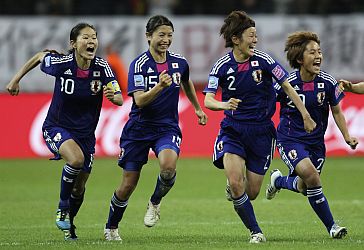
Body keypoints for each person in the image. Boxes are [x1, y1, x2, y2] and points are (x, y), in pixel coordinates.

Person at [203, 11, 316, 243]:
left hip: (262, 132)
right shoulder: (222, 65)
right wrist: (224, 104)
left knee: (251, 193)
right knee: (236, 185)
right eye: (251, 35)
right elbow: (208, 100)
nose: (255, 40)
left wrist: (305, 114)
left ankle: (243, 189)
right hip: (233, 129)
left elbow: (286, 86)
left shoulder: (264, 60)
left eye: (256, 35)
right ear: (236, 39)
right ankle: (256, 232)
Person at [6, 23, 123, 240]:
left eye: (94, 37)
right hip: (56, 127)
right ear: (73, 43)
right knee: (76, 160)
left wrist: (113, 96)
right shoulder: (62, 64)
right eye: (86, 38)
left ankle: (70, 225)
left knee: (79, 188)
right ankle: (62, 207)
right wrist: (15, 79)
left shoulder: (103, 67)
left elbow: (118, 97)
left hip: (86, 135)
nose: (92, 42)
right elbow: (40, 56)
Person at [103, 15, 207, 241]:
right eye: (161, 35)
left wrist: (197, 108)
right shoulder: (139, 65)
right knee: (128, 184)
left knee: (168, 167)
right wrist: (160, 86)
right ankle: (111, 227)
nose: (166, 40)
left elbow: (186, 81)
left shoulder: (179, 62)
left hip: (166, 127)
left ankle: (155, 202)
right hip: (138, 129)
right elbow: (139, 101)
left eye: (170, 35)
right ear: (148, 36)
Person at [265, 31, 358, 239]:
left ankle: (278, 181)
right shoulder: (287, 84)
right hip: (290, 139)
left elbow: (336, 110)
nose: (318, 56)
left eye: (319, 51)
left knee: (306, 186)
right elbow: (268, 104)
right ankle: (333, 227)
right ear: (299, 58)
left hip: (316, 143)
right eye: (312, 52)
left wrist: (346, 136)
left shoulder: (327, 82)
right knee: (312, 177)